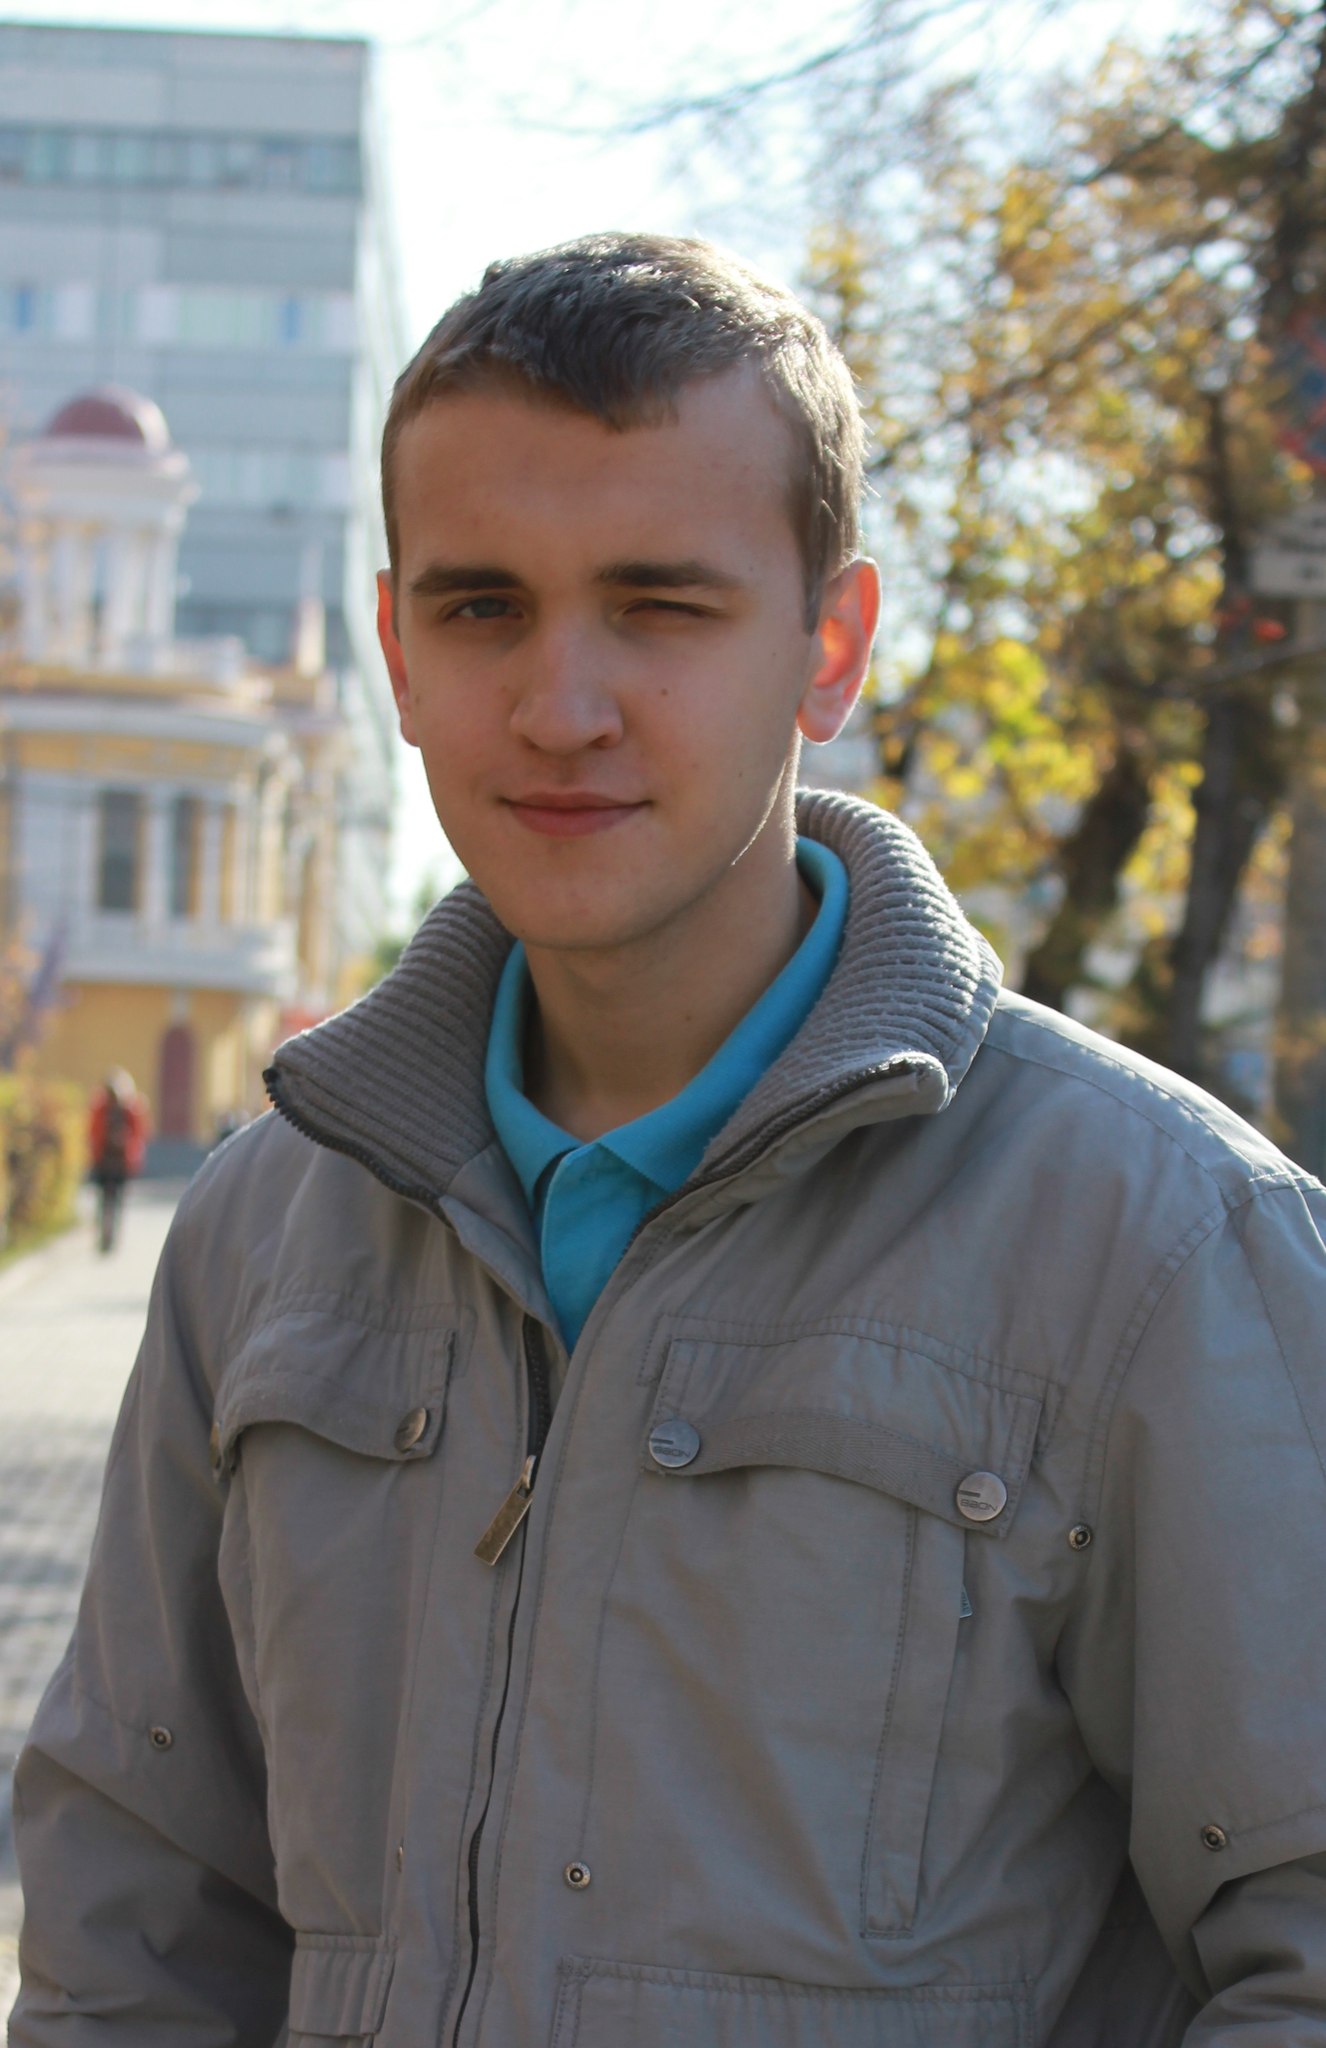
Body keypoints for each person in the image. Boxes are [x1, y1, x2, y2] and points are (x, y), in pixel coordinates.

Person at [11, 234, 1326, 2047]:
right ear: (395, 652)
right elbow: (134, 1929)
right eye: (483, 608)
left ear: (828, 649)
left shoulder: (1164, 1243)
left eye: (659, 607)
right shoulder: (260, 1235)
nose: (561, 706)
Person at [86, 1068, 149, 1254]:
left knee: (117, 1199)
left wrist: (131, 1153)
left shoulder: (130, 1110)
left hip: (121, 1162)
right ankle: (104, 1233)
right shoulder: (101, 1109)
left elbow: (139, 1135)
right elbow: (93, 1132)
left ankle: (112, 1235)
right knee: (103, 1199)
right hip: (104, 1161)